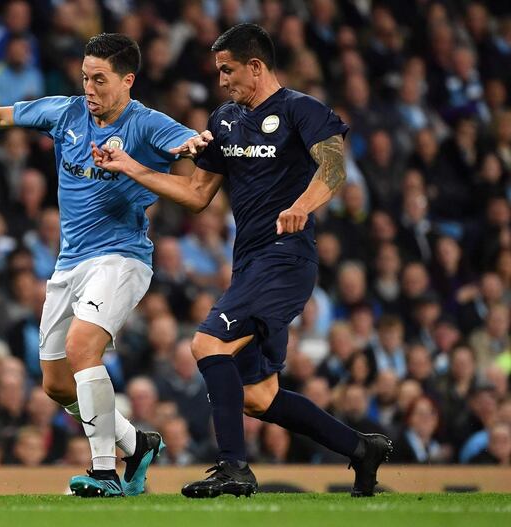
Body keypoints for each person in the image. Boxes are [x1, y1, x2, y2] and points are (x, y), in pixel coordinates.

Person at [0, 33, 208, 497]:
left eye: (100, 80)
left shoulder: (148, 125)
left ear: (128, 80)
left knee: (81, 348)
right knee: (54, 382)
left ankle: (105, 474)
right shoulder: (65, 112)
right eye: (85, 78)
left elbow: (192, 147)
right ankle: (137, 443)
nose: (89, 89)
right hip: (69, 263)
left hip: (121, 257)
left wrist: (199, 144)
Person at [93, 23, 392, 499]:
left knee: (207, 344)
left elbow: (333, 166)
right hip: (250, 263)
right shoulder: (226, 119)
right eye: (218, 71)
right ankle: (360, 449)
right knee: (258, 396)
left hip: (287, 260)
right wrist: (131, 167)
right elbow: (195, 195)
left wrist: (301, 206)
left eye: (228, 69)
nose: (222, 80)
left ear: (256, 66)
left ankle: (233, 466)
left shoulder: (301, 109)